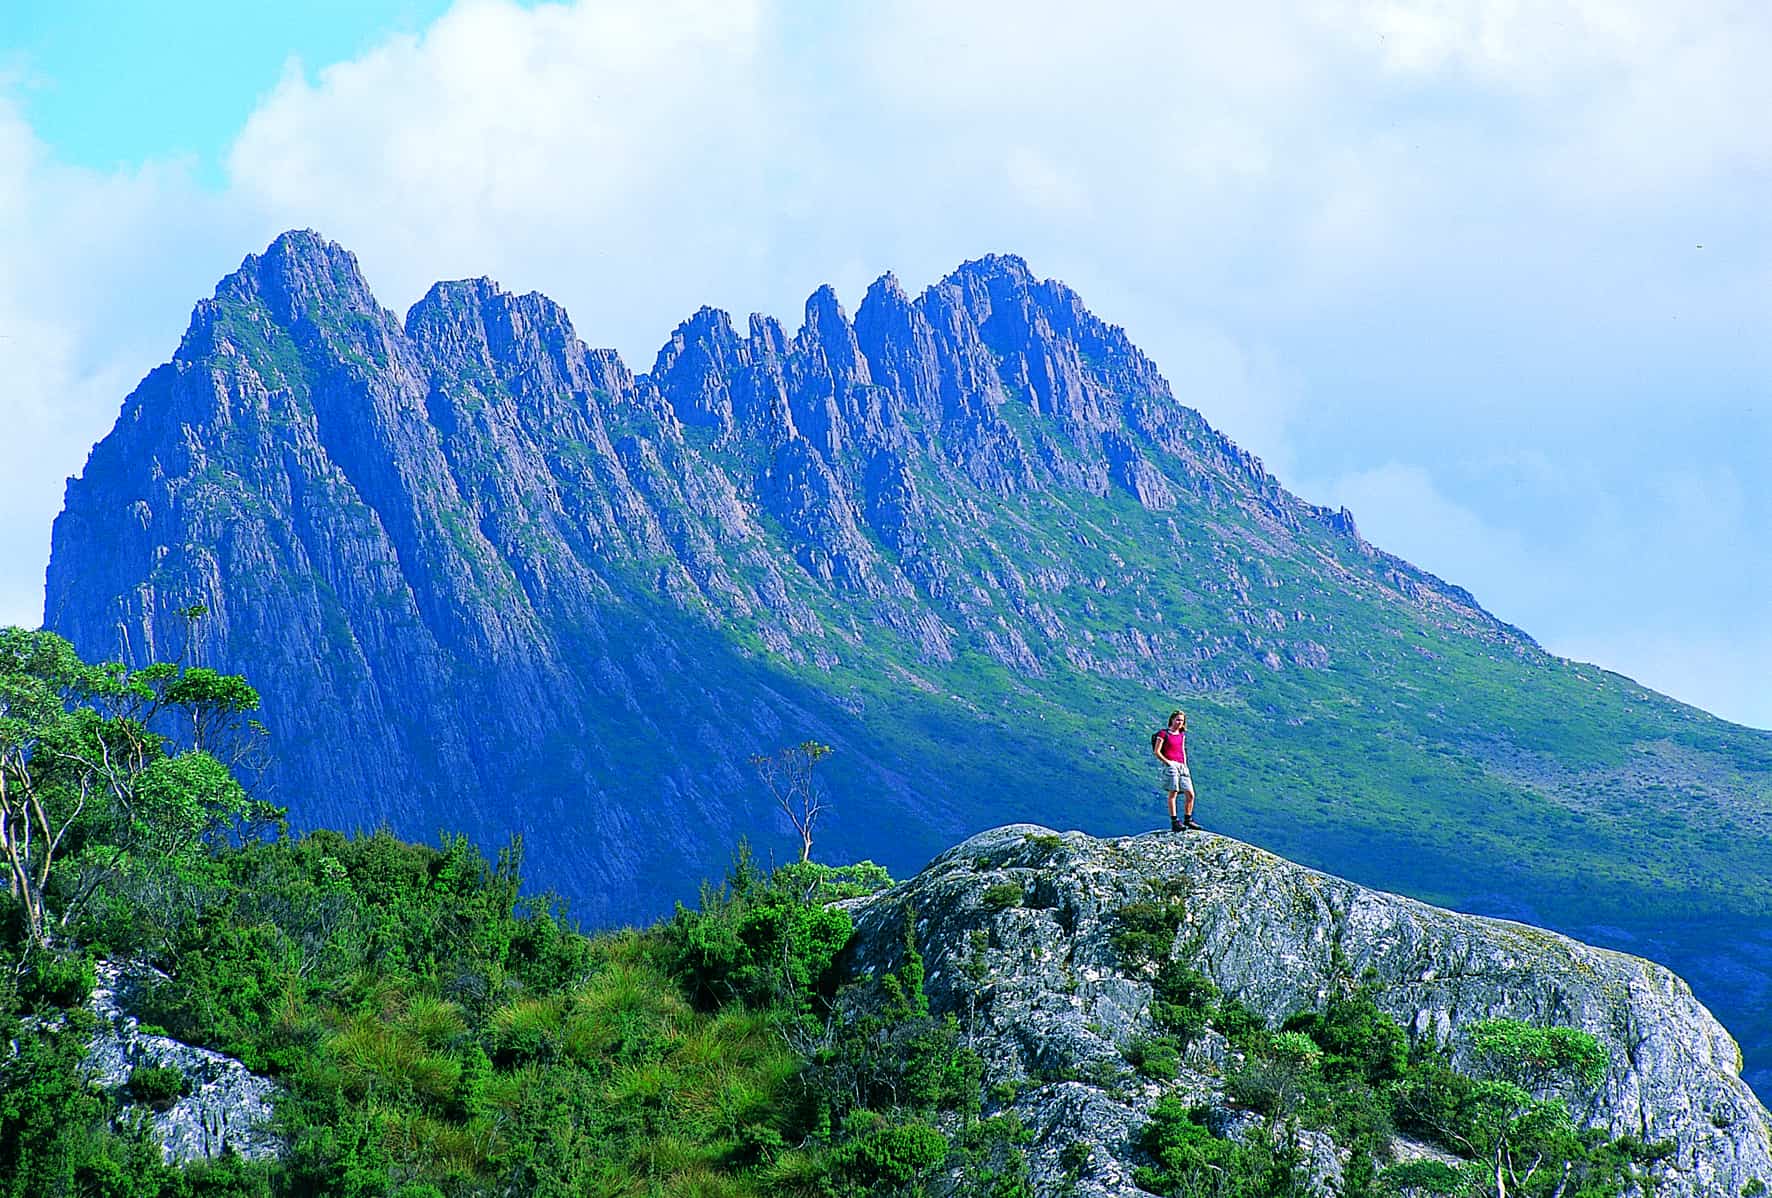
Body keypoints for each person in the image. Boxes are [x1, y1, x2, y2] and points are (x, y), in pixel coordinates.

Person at [1151, 710, 1200, 832]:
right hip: (1171, 765)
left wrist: (1185, 764)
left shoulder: (1181, 734)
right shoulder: (1163, 734)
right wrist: (1168, 763)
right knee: (1173, 793)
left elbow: (1182, 750)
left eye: (1182, 720)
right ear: (1172, 719)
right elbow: (1157, 751)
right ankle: (1174, 820)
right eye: (1178, 719)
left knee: (1190, 794)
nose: (1179, 722)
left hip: (1182, 765)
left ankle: (1188, 819)